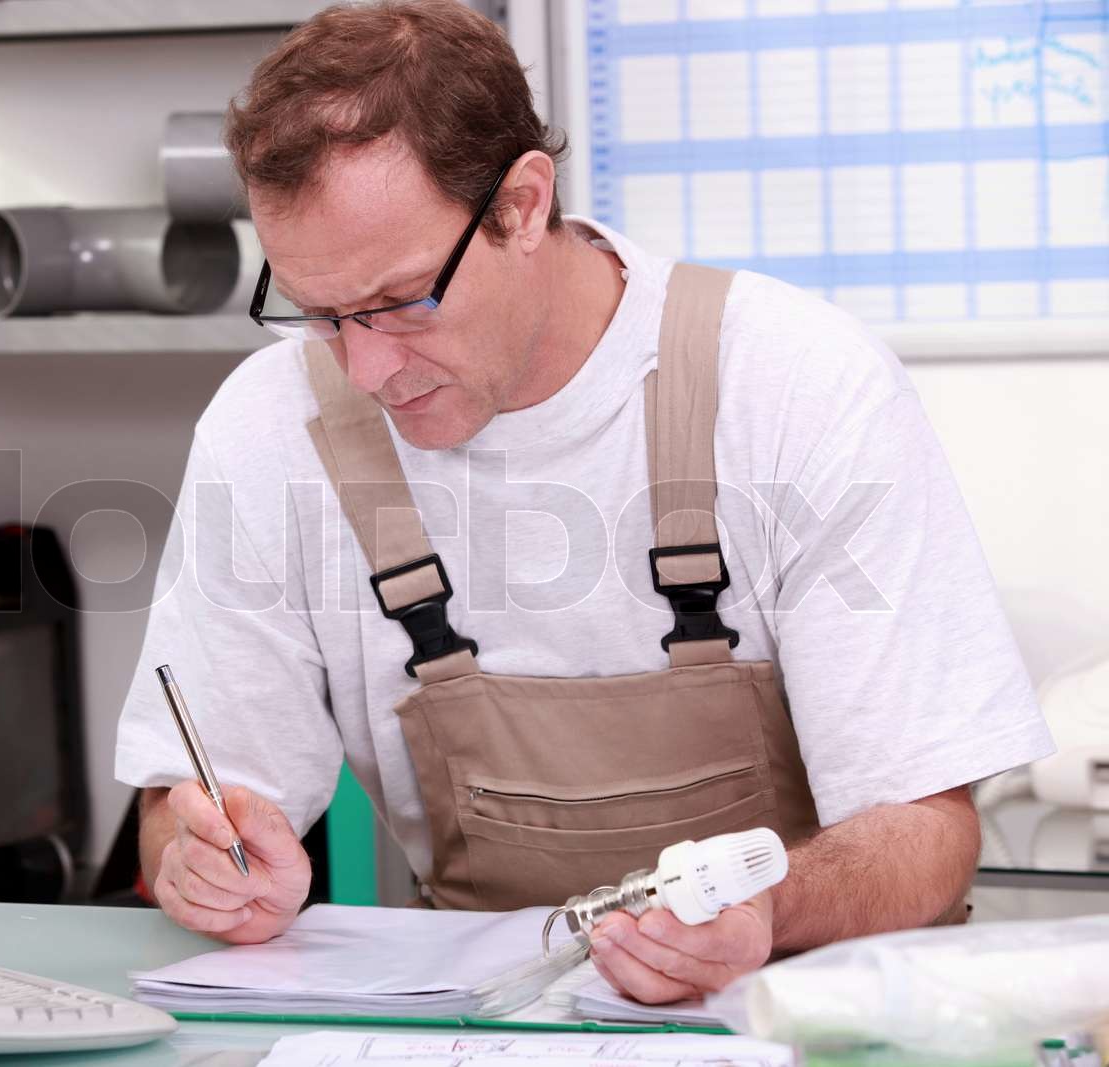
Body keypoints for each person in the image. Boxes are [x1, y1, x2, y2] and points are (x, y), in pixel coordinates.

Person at [114, 0, 1054, 1004]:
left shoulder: (795, 383)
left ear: (520, 204)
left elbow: (924, 834)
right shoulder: (271, 424)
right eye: (322, 313)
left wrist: (765, 913)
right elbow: (190, 800)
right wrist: (203, 853)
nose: (369, 366)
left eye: (398, 302)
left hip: (804, 1009)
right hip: (491, 1023)